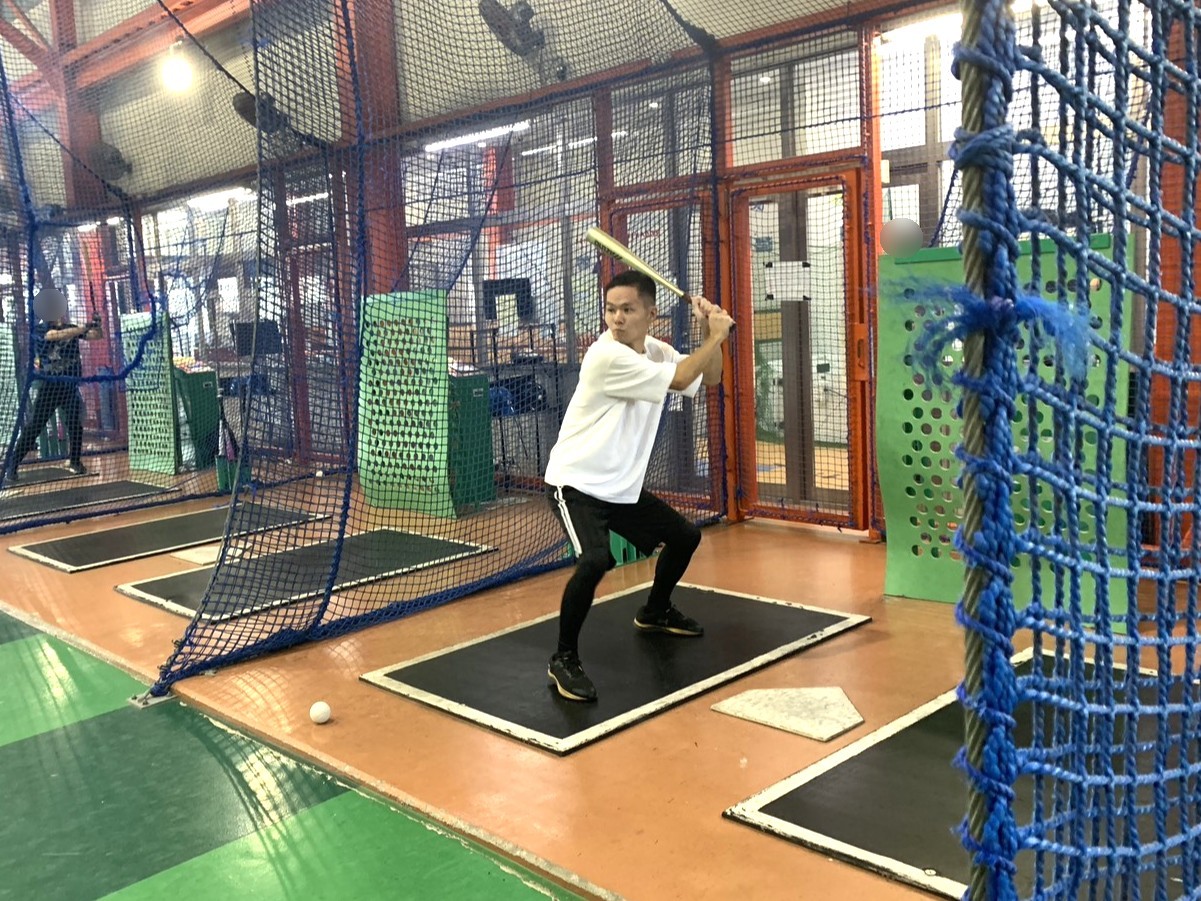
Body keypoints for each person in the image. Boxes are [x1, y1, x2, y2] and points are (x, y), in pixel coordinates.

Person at [543, 269, 734, 702]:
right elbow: (681, 378)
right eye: (610, 309)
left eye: (627, 309)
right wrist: (716, 335)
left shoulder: (657, 351)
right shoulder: (606, 356)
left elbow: (711, 377)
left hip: (618, 487)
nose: (617, 318)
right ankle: (563, 658)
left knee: (684, 537)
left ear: (651, 313)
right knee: (596, 560)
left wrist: (710, 333)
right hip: (576, 483)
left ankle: (655, 611)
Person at [4, 289, 101, 484]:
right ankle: (12, 466)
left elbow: (95, 336)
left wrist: (97, 324)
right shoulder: (40, 330)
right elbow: (53, 336)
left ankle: (75, 462)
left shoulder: (72, 327)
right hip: (50, 387)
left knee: (75, 423)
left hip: (69, 386)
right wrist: (83, 327)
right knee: (34, 427)